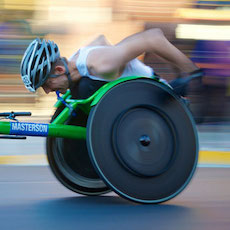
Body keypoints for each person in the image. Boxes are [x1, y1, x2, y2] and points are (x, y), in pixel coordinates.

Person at [20, 28, 203, 99]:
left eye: (45, 84)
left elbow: (153, 38)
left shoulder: (101, 65)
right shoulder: (79, 58)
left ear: (59, 70)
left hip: (156, 100)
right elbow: (100, 39)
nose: (47, 91)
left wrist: (191, 72)